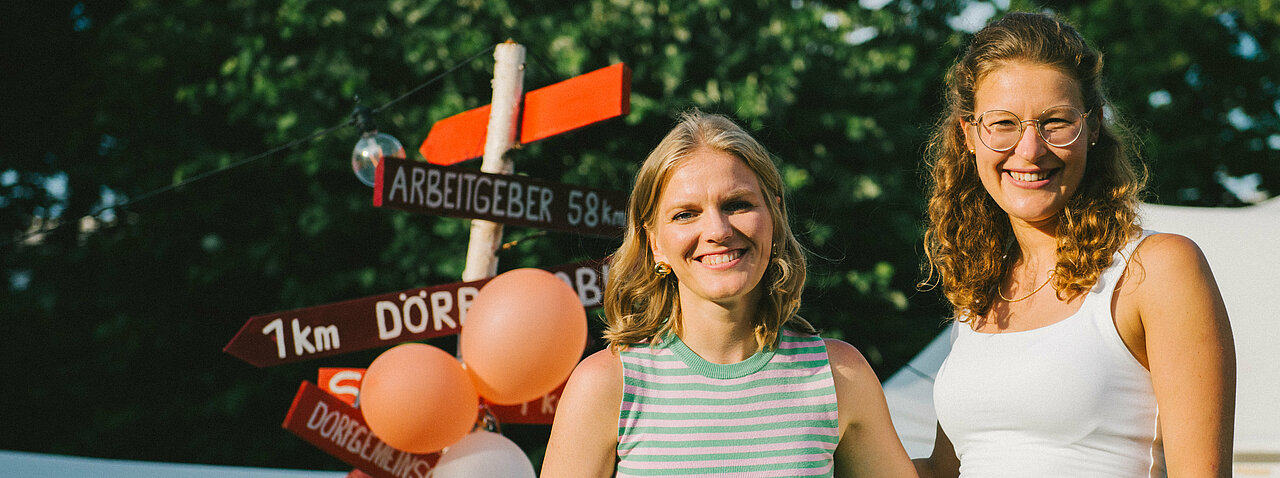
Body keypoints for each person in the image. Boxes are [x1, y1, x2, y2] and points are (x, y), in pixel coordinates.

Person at [913, 11, 1236, 478]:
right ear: (969, 135)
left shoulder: (1157, 268)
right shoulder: (980, 291)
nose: (1029, 149)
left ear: (1095, 125)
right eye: (1003, 123)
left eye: (1055, 122)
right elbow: (949, 471)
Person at [541, 110, 917, 477]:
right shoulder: (608, 385)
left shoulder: (839, 375)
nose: (718, 230)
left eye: (737, 205)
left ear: (774, 216)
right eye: (686, 214)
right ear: (655, 243)